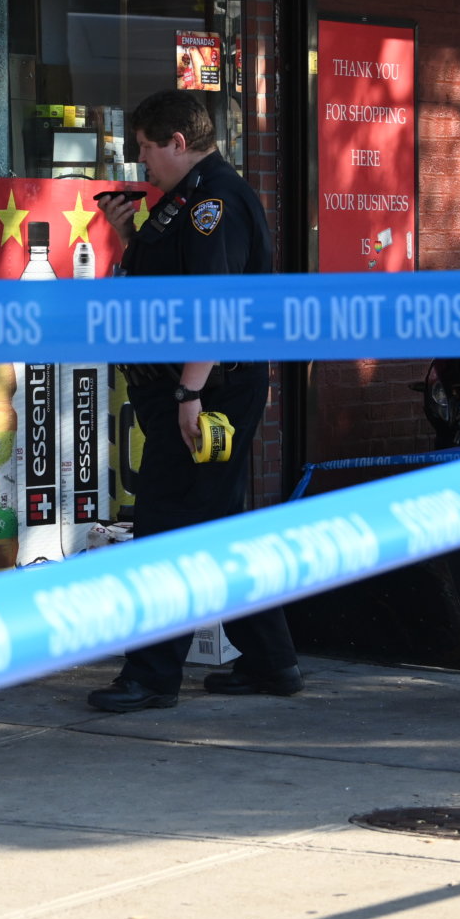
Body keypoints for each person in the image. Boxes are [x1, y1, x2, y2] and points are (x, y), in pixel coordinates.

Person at [86, 88, 302, 712]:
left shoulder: (214, 203)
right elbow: (170, 285)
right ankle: (270, 661)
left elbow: (218, 309)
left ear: (178, 142)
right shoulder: (184, 201)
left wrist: (189, 392)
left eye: (147, 149)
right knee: (216, 527)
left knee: (166, 526)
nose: (141, 162)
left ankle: (152, 676)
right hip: (191, 390)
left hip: (204, 394)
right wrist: (129, 237)